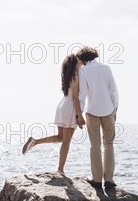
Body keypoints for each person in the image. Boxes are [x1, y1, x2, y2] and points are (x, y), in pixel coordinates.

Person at [21, 54, 85, 175]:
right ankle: (60, 169)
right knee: (67, 141)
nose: (82, 63)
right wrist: (79, 115)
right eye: (80, 61)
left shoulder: (68, 75)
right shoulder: (76, 75)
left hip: (63, 106)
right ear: (75, 63)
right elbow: (75, 98)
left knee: (61, 137)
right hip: (70, 108)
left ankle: (35, 141)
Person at [76, 46, 119, 190]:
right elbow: (114, 91)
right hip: (108, 110)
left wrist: (79, 114)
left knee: (95, 145)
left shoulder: (83, 71)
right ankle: (109, 180)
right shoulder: (106, 68)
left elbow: (82, 95)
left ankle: (96, 180)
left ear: (83, 59)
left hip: (92, 111)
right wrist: (115, 109)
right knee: (109, 145)